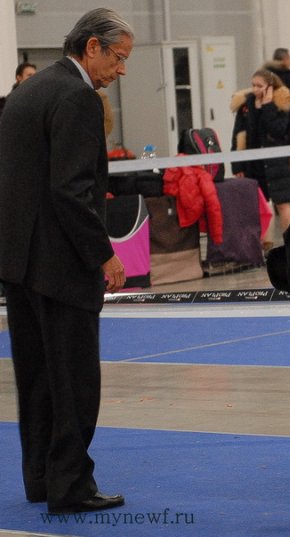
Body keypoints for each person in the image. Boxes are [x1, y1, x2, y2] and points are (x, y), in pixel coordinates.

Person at [0, 7, 131, 514]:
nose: (121, 70)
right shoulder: (78, 97)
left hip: (19, 264)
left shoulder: (26, 91)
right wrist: (104, 254)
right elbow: (71, 191)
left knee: (36, 380)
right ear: (92, 46)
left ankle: (41, 479)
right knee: (74, 382)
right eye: (118, 58)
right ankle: (71, 485)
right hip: (61, 266)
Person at [231, 69, 290, 233]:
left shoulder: (281, 102)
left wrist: (267, 105)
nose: (255, 89)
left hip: (277, 164)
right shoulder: (245, 105)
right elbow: (237, 135)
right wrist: (237, 165)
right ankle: (263, 245)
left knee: (283, 205)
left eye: (259, 86)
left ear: (270, 87)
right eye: (253, 85)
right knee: (258, 208)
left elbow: (278, 130)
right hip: (253, 164)